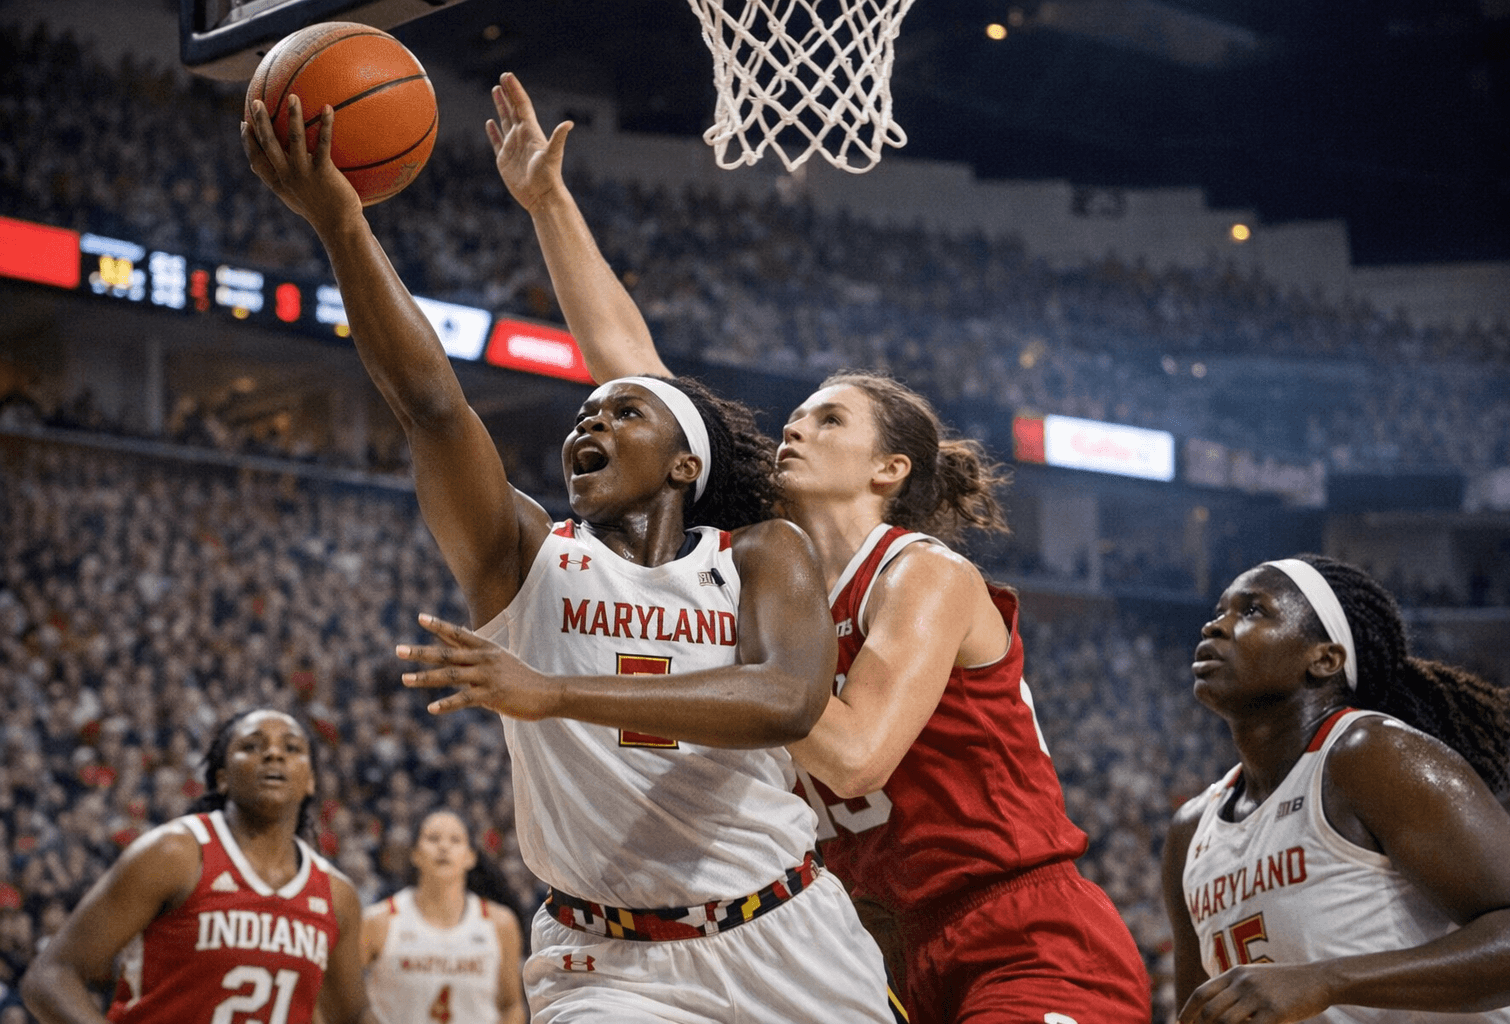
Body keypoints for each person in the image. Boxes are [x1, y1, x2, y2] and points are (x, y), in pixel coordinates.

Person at [485, 72, 1151, 1023]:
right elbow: (643, 381)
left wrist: (743, 678)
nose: (793, 429)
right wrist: (549, 203)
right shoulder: (771, 566)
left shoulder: (924, 574)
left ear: (889, 469)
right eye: (794, 416)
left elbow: (855, 758)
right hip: (871, 938)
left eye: (827, 419)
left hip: (1017, 929)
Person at [242, 96, 899, 1024]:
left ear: (685, 463)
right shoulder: (526, 559)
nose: (590, 418)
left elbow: (786, 701)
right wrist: (342, 224)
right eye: (585, 413)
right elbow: (432, 406)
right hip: (606, 963)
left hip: (786, 936)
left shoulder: (757, 552)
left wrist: (551, 693)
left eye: (623, 410)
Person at [1161, 554, 1510, 1023]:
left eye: (1252, 610)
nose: (1214, 627)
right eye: (1219, 611)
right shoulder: (1190, 830)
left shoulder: (1367, 754)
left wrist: (1326, 980)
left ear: (1324, 658)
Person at [21, 708, 376, 1024]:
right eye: (252, 746)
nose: (273, 753)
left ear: (310, 779)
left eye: (292, 748)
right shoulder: (174, 854)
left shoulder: (336, 894)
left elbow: (353, 1014)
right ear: (222, 777)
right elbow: (51, 975)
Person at [362, 810, 526, 1024]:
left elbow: (511, 1005)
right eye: (433, 839)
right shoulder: (379, 920)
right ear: (415, 854)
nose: (443, 846)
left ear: (470, 857)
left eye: (455, 840)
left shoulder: (500, 923)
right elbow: (345, 998)